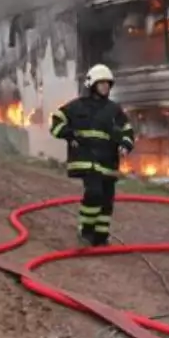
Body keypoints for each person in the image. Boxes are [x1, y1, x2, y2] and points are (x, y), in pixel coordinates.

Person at [49, 63, 135, 246]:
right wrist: (68, 133)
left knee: (106, 201)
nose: (105, 87)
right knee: (94, 193)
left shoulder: (114, 110)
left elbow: (127, 131)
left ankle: (100, 237)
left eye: (107, 84)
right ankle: (86, 231)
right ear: (91, 84)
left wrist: (126, 145)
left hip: (108, 164)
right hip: (86, 161)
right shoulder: (77, 106)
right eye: (101, 83)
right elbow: (56, 121)